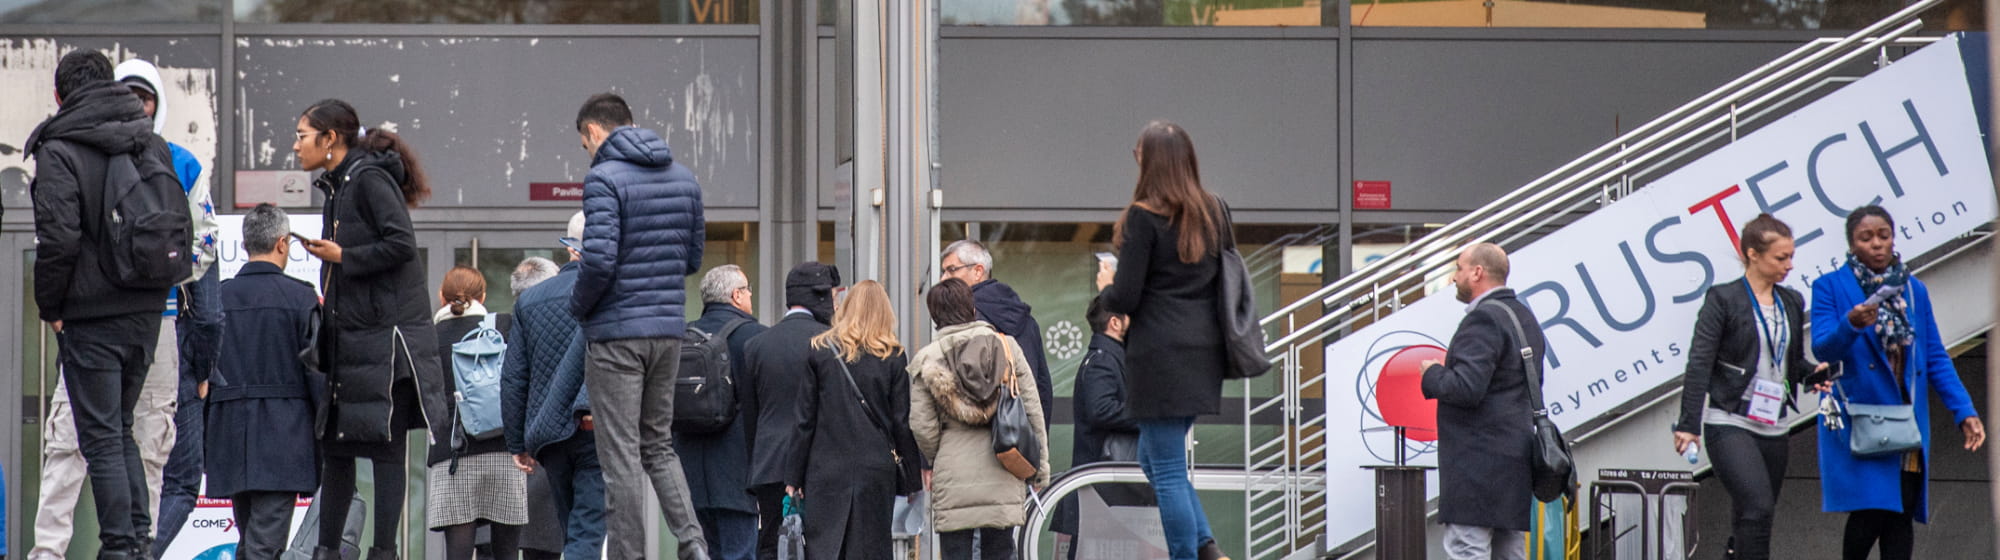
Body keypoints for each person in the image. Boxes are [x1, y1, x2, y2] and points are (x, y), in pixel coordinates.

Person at [26, 49, 184, 560]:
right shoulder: (149, 141)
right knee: (120, 431)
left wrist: (51, 306)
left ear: (59, 95)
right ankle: (139, 538)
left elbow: (59, 238)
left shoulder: (60, 147)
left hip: (92, 316)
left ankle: (120, 545)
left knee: (99, 438)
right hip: (146, 312)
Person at [295, 98, 449, 560]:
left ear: (330, 140)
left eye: (302, 135)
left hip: (386, 345)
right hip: (353, 340)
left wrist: (344, 257)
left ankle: (384, 551)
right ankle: (326, 549)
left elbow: (402, 244)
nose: (296, 144)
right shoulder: (338, 185)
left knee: (385, 449)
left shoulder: (368, 179)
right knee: (337, 449)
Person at [568, 91, 710, 560]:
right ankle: (693, 545)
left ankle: (630, 556)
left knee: (621, 456)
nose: (587, 153)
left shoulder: (603, 178)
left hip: (615, 335)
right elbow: (691, 259)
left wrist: (580, 306)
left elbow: (599, 260)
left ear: (593, 131)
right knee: (659, 447)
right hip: (668, 331)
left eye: (584, 144)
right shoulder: (684, 179)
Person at [1811, 205, 1985, 560]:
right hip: (1863, 419)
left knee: (1901, 512)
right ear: (1852, 244)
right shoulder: (1830, 286)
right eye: (1866, 238)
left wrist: (1964, 410)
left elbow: (1934, 355)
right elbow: (1823, 346)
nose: (1877, 244)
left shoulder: (1913, 289)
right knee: (1871, 512)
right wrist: (1852, 324)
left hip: (1906, 419)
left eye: (1883, 235)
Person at [1097, 120, 1233, 560]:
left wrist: (1106, 285)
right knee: (1154, 461)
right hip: (1204, 355)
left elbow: (1127, 296)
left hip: (1158, 355)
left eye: (1138, 156)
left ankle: (1188, 555)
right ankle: (1205, 545)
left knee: (1168, 468)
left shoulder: (1145, 216)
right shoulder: (1214, 211)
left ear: (1150, 163)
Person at [1670, 214, 1829, 560]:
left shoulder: (1790, 301)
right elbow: (1700, 363)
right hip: (1730, 420)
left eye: (1790, 257)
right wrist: (1688, 424)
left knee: (1753, 516)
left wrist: (1812, 373)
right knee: (1757, 506)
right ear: (1753, 254)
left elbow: (1790, 361)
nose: (1789, 265)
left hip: (1775, 424)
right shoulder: (1723, 300)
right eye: (1780, 257)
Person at [119, 56, 222, 560]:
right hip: (164, 333)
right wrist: (202, 364)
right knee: (176, 470)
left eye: (145, 98)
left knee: (95, 455)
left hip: (102, 334)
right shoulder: (180, 163)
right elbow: (203, 258)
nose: (139, 108)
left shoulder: (76, 157)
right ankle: (140, 552)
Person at [202, 204, 320, 560]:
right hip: (285, 438)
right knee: (264, 545)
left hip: (227, 434)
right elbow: (318, 375)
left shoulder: (218, 298)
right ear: (283, 244)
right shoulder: (302, 298)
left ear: (244, 244)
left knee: (251, 538)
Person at [906, 278, 1049, 560]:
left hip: (953, 471)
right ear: (973, 310)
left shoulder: (928, 358)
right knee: (999, 551)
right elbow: (1033, 409)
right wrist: (1039, 467)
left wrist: (940, 454)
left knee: (955, 553)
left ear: (935, 316)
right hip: (1004, 463)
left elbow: (921, 425)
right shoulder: (1007, 347)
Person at [1418, 243, 1540, 560]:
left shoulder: (1483, 320)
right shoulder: (1523, 316)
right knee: (1510, 551)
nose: (1453, 278)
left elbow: (1466, 388)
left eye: (1458, 269)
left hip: (1477, 464)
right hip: (1514, 459)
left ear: (1477, 272)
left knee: (1467, 549)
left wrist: (1432, 373)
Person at [784, 280, 914, 560]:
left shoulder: (820, 350)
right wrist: (912, 478)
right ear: (884, 312)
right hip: (876, 470)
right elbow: (901, 422)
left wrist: (793, 476)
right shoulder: (894, 356)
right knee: (871, 548)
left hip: (825, 469)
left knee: (826, 548)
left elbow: (804, 420)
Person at [503, 213, 607, 560]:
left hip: (549, 436)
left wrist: (518, 442)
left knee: (571, 531)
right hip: (597, 429)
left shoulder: (530, 302)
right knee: (587, 533)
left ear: (571, 249)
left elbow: (515, 376)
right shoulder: (612, 295)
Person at [430, 267, 529, 560]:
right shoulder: (504, 326)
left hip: (454, 454)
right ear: (482, 296)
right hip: (504, 450)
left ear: (441, 297)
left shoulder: (428, 337)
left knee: (458, 554)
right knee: (507, 552)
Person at [742, 262, 839, 560]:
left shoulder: (756, 345)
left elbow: (750, 414)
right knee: (824, 546)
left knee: (773, 544)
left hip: (770, 464)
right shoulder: (833, 343)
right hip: (823, 463)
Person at [678, 265, 769, 560]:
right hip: (738, 474)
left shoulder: (682, 338)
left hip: (689, 474)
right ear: (736, 295)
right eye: (749, 289)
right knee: (740, 553)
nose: (751, 295)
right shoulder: (756, 338)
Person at [1053, 294, 1143, 558]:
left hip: (1104, 489)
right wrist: (1149, 417)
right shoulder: (1104, 360)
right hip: (1103, 488)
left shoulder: (1109, 357)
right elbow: (1101, 411)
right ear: (1115, 323)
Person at [940, 240, 1054, 428]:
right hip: (1018, 433)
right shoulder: (1025, 318)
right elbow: (1041, 385)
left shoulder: (966, 318)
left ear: (978, 271)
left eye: (951, 270)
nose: (944, 279)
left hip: (975, 436)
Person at [505, 256, 569, 560]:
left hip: (526, 444)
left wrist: (517, 442)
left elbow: (513, 383)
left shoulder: (503, 325)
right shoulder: (566, 319)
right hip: (556, 438)